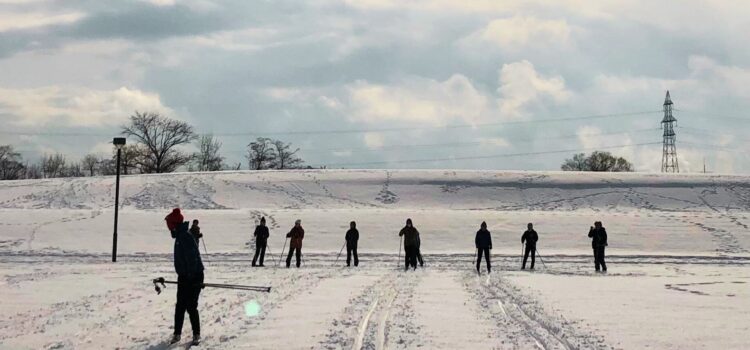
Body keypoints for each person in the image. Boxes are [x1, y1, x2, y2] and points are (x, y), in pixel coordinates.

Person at [170, 221, 205, 346]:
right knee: (180, 305)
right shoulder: (180, 236)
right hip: (184, 275)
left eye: (170, 226)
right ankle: (177, 333)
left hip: (194, 275)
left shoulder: (184, 236)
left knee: (190, 305)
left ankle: (196, 334)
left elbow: (193, 259)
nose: (170, 229)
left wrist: (191, 278)